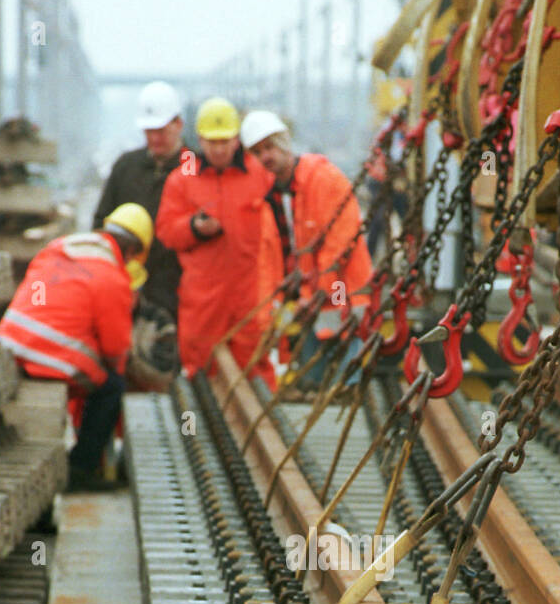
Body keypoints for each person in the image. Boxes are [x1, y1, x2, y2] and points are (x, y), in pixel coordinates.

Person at [0, 203, 153, 491]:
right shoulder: (112, 277)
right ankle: (81, 470)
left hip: (11, 339)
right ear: (133, 251)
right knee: (111, 387)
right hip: (46, 352)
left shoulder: (62, 246)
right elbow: (115, 348)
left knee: (93, 373)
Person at [155, 97, 289, 387]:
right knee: (199, 369)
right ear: (200, 140)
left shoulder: (260, 173)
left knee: (256, 369)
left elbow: (282, 226)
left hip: (251, 293)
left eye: (225, 141)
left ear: (236, 139)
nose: (218, 149)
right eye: (212, 142)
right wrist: (194, 227)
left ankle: (259, 427)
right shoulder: (183, 179)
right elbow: (166, 231)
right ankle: (199, 428)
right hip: (203, 295)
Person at [241, 109, 372, 388]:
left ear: (285, 141)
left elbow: (336, 248)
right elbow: (282, 257)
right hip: (317, 302)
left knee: (344, 384)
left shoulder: (322, 179)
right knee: (315, 385)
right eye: (257, 151)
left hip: (342, 294)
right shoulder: (280, 194)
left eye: (269, 146)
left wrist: (312, 294)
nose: (266, 156)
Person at [94, 81, 192, 373]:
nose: (155, 138)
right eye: (149, 131)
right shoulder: (126, 167)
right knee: (120, 365)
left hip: (176, 291)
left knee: (169, 367)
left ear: (178, 124)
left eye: (161, 130)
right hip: (125, 290)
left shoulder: (195, 168)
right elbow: (100, 224)